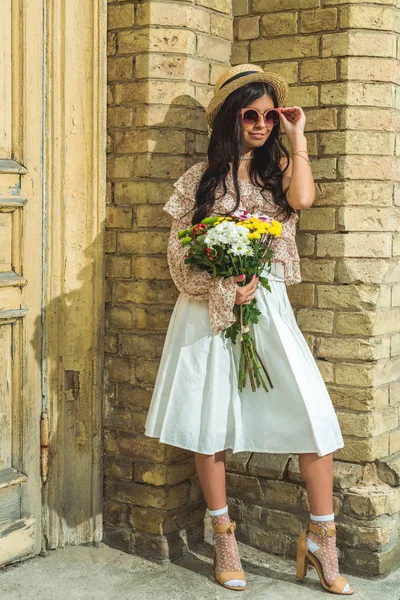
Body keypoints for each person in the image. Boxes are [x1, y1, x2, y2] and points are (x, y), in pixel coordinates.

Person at [144, 64, 354, 595]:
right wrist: (220, 284)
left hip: (269, 306)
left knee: (314, 418)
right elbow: (177, 253)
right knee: (207, 419)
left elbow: (303, 200)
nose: (262, 123)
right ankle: (224, 539)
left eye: (269, 115)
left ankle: (322, 542)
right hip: (208, 310)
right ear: (230, 119)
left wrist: (298, 134)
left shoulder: (277, 167)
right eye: (251, 115)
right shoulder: (199, 179)